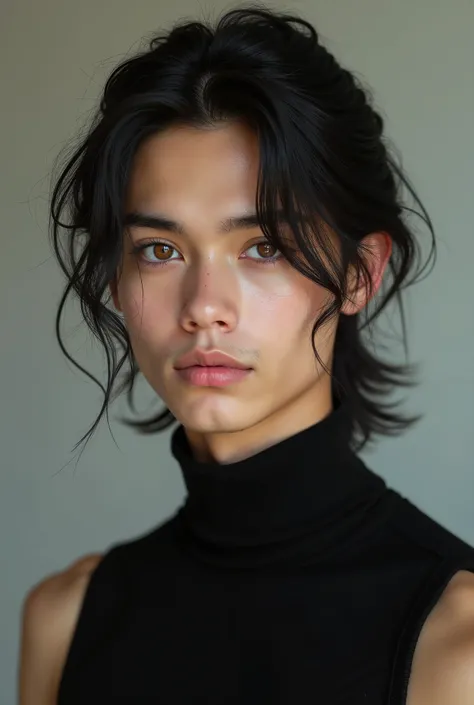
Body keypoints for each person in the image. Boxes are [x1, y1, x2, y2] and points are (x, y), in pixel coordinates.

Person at [18, 5, 474, 704]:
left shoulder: (458, 636)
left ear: (359, 273)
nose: (204, 304)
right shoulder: (65, 617)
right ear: (115, 274)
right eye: (159, 250)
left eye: (264, 247)